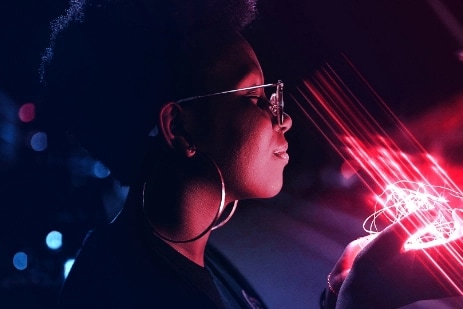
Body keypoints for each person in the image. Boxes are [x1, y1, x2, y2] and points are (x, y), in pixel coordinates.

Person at [39, 0, 463, 308]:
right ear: (180, 128)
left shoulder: (174, 256)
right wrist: (363, 303)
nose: (284, 120)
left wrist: (336, 295)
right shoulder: (134, 294)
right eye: (254, 96)